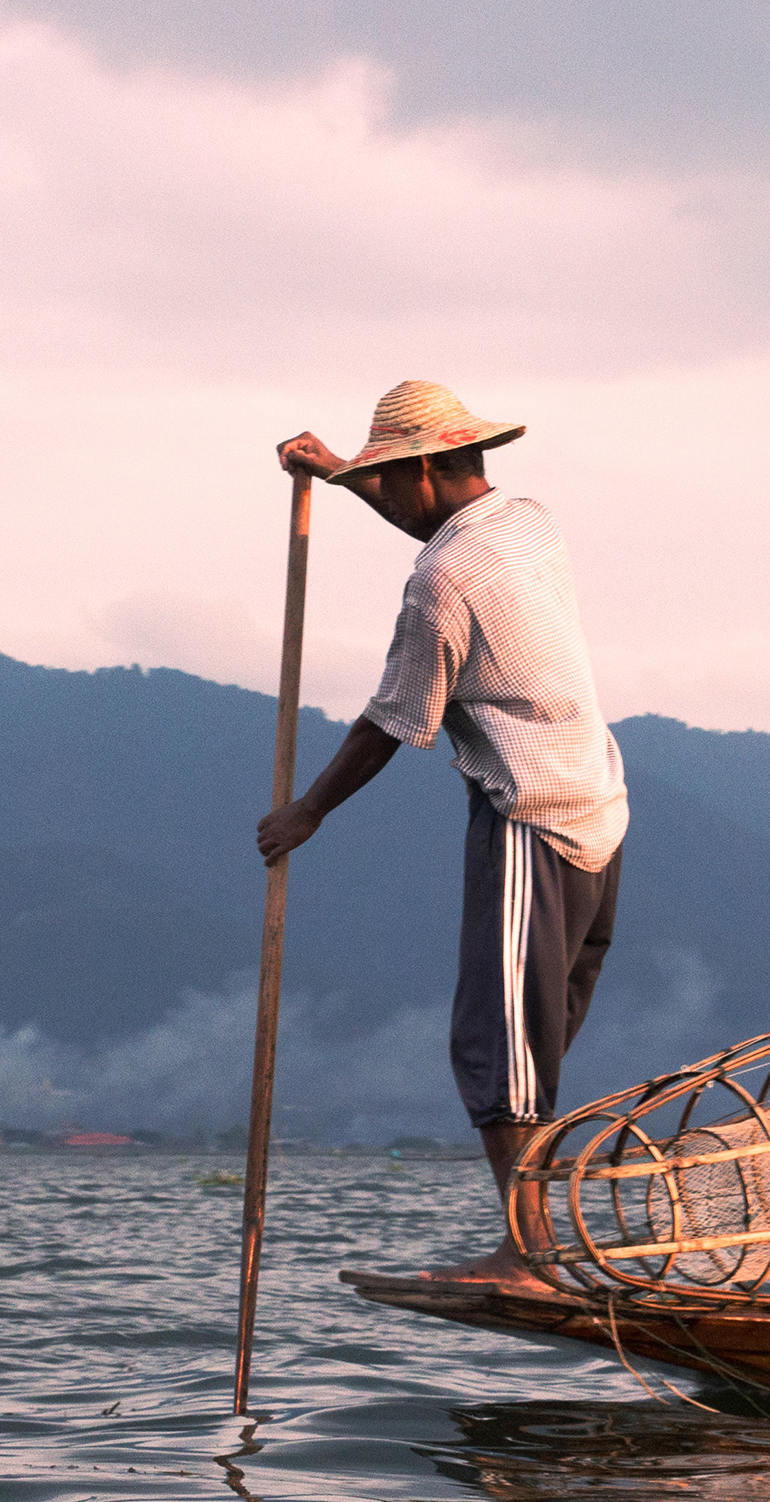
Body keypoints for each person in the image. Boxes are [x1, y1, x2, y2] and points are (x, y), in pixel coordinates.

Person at [257, 379, 628, 1290]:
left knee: (496, 1044)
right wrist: (339, 473)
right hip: (600, 808)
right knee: (531, 1041)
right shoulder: (527, 523)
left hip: (530, 817)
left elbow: (393, 720)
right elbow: (432, 523)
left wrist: (306, 812)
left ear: (423, 470)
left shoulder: (440, 583)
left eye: (388, 477)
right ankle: (543, 1241)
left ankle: (528, 1256)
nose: (383, 493)